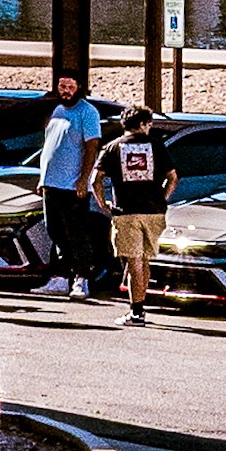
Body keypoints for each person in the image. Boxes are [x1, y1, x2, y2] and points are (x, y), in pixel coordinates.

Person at [94, 106, 176, 327]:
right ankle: (140, 305)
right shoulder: (157, 146)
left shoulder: (112, 148)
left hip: (126, 212)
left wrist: (103, 204)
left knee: (133, 261)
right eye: (148, 124)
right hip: (153, 212)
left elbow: (96, 179)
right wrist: (163, 197)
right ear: (142, 124)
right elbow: (173, 177)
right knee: (145, 258)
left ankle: (137, 311)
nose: (149, 128)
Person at [36, 71, 103, 298]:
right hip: (51, 182)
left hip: (72, 185)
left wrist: (84, 180)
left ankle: (81, 278)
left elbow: (91, 147)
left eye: (69, 86)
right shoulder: (57, 111)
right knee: (54, 230)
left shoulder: (88, 112)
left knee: (76, 232)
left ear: (79, 87)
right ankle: (60, 278)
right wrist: (43, 178)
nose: (65, 91)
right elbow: (51, 147)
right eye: (62, 86)